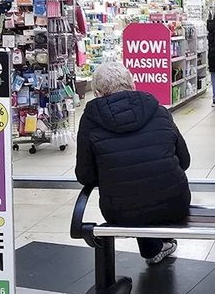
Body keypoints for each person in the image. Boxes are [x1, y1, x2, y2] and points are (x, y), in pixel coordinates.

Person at [75, 62, 191, 265]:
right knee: (146, 188)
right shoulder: (158, 110)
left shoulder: (90, 120)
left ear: (97, 92)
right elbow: (185, 161)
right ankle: (157, 247)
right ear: (133, 84)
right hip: (175, 204)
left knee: (132, 194)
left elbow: (85, 176)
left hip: (121, 213)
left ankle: (153, 249)